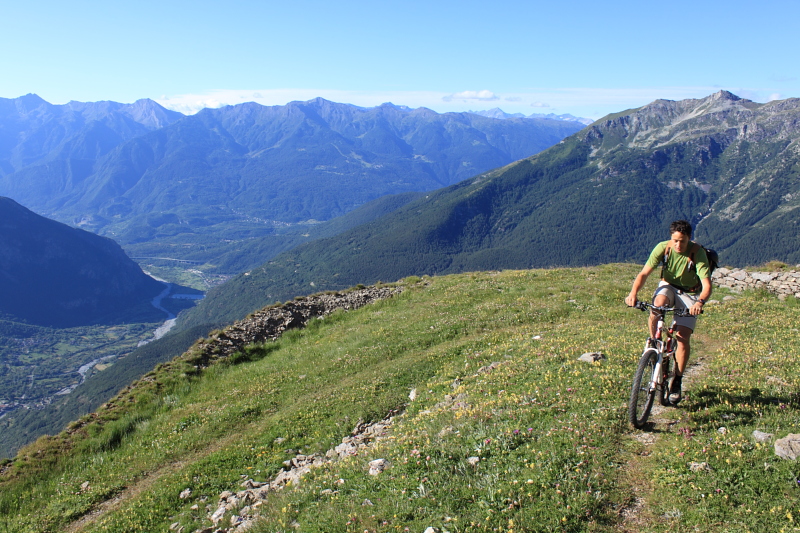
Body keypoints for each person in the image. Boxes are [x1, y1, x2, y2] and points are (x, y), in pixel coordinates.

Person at [624, 220, 712, 404]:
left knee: (682, 335)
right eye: (675, 240)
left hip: (690, 292)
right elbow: (644, 273)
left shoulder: (698, 252)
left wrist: (700, 302)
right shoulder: (663, 248)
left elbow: (706, 285)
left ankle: (677, 380)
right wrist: (633, 294)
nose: (678, 245)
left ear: (689, 238)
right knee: (657, 305)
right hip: (668, 285)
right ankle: (655, 344)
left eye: (682, 241)